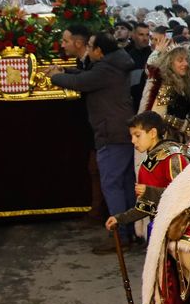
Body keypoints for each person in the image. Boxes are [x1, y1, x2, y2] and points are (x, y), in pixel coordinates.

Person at [51, 33, 136, 242]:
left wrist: (54, 76)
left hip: (111, 132)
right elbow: (86, 75)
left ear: (100, 51)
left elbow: (81, 82)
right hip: (121, 130)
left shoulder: (106, 69)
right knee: (124, 183)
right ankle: (131, 230)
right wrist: (68, 70)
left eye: (90, 46)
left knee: (112, 184)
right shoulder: (115, 63)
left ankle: (120, 235)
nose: (88, 50)